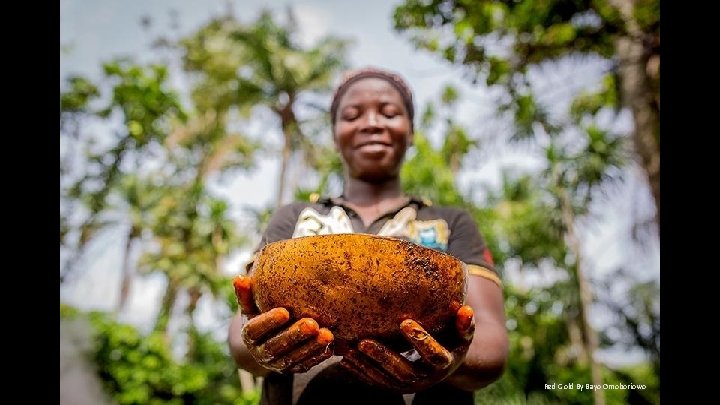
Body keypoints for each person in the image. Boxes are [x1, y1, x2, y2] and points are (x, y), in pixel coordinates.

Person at [228, 66, 508, 405]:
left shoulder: (449, 222)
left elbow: (491, 342)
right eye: (352, 114)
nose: (372, 122)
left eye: (389, 113)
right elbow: (241, 336)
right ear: (335, 134)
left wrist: (456, 360)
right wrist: (258, 344)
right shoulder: (296, 218)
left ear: (411, 131)